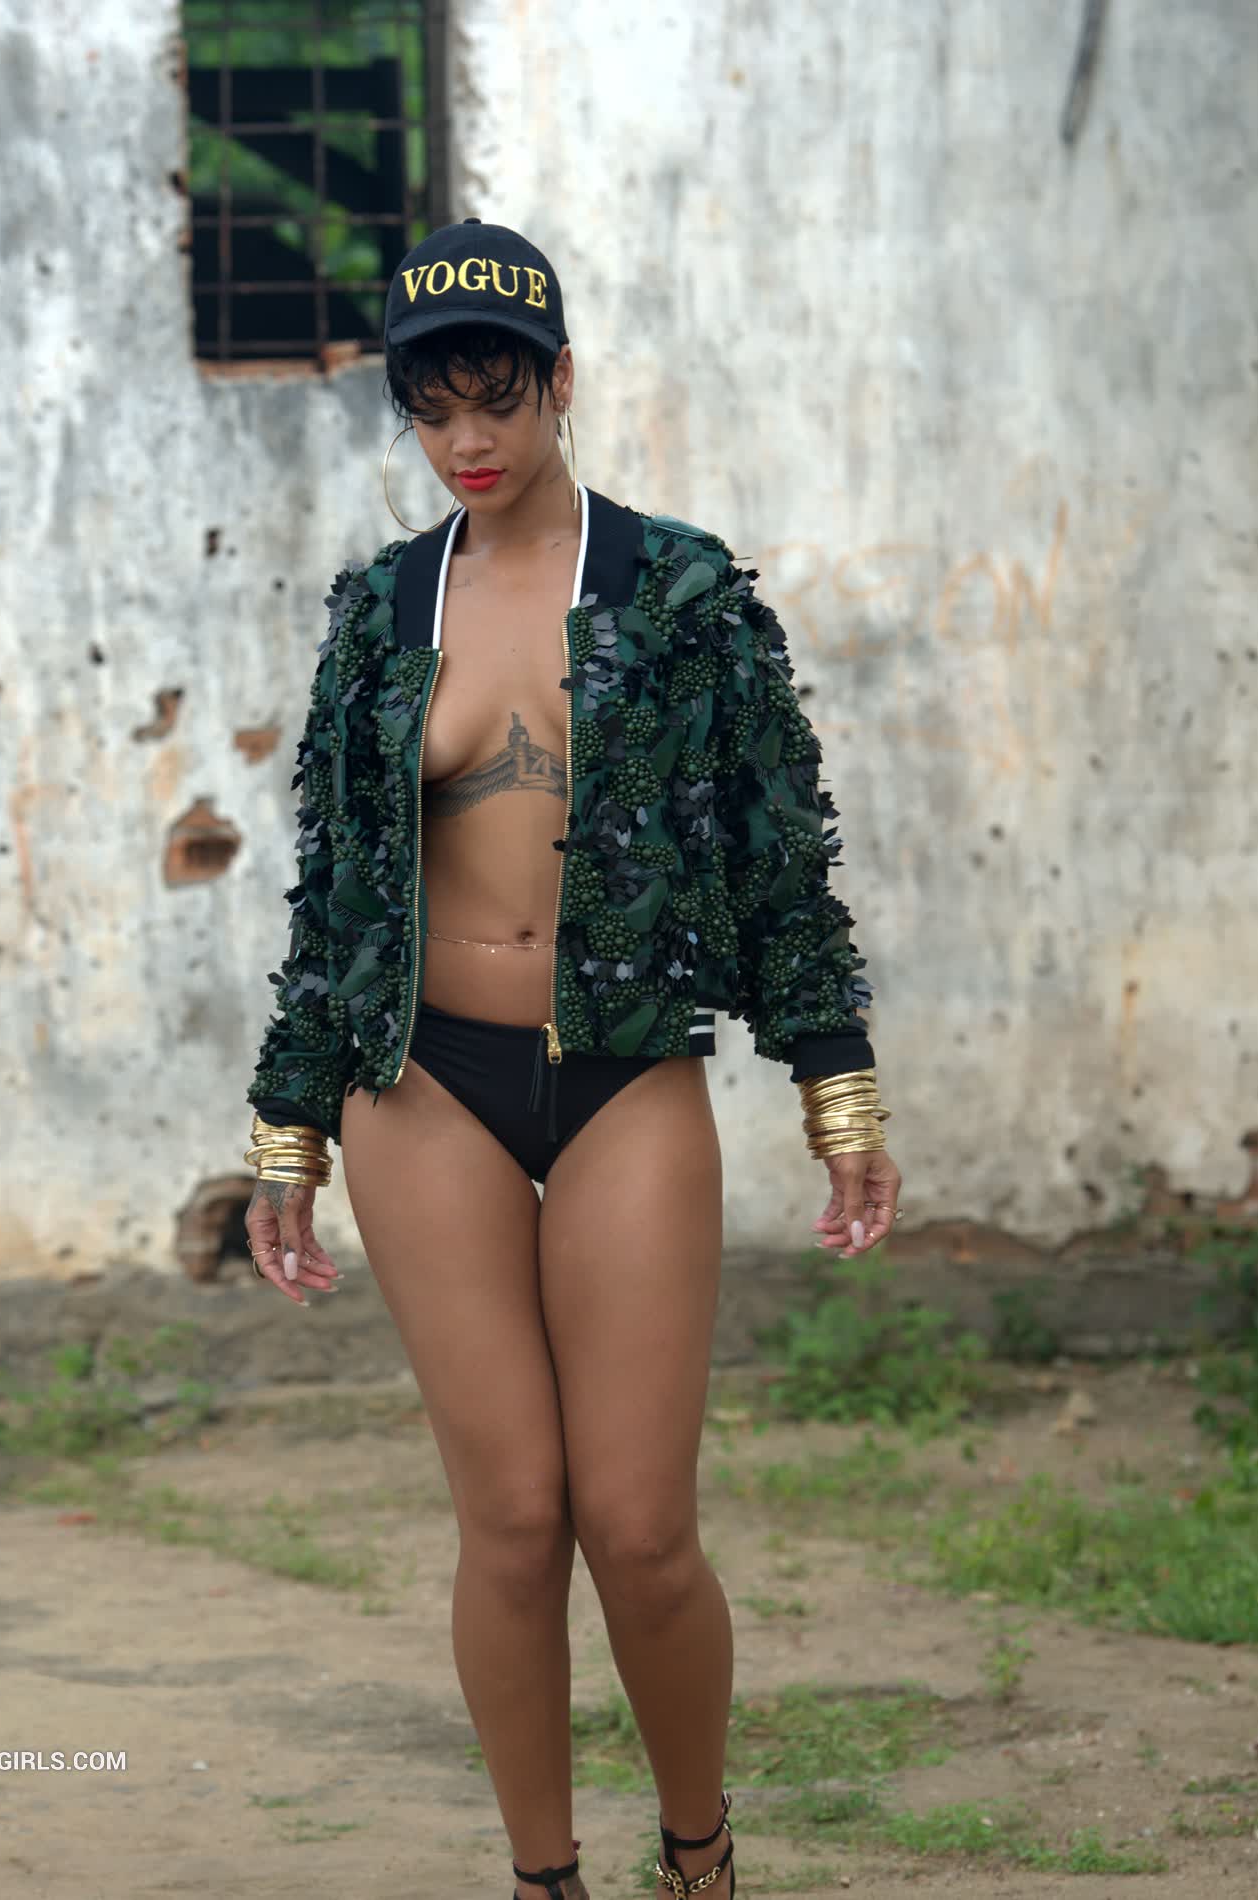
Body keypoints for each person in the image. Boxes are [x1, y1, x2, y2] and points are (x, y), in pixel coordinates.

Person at [241, 218, 903, 1900]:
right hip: (422, 1085)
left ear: (558, 384)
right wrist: (286, 1131)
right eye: (432, 410)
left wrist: (836, 1092)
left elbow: (775, 854)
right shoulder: (384, 607)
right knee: (515, 1520)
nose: (466, 441)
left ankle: (700, 1858)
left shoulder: (677, 589)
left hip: (620, 1071)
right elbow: (335, 890)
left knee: (640, 1528)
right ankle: (544, 1880)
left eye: (497, 400)